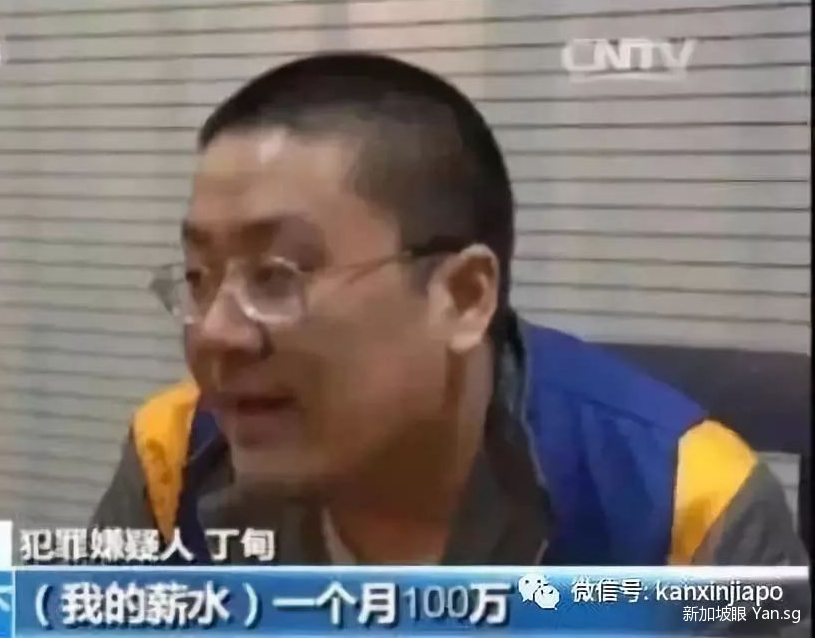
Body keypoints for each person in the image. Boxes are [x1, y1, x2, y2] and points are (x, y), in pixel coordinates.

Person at [91, 53, 808, 570]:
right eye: (199, 278)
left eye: (277, 276)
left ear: (463, 296)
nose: (216, 332)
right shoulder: (173, 457)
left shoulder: (691, 514)